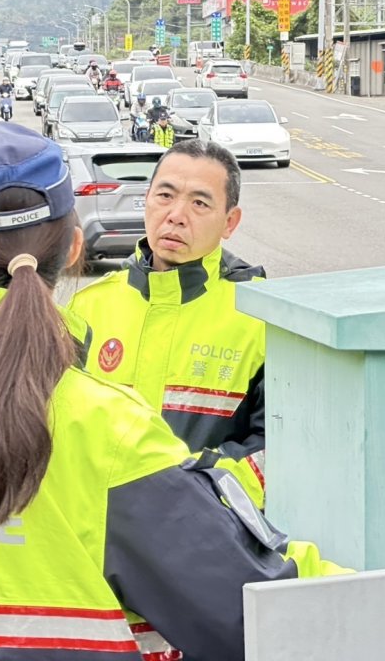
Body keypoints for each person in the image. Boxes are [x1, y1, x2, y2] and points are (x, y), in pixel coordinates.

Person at [0, 122, 347, 661]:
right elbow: (250, 613)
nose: (177, 214)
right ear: (74, 247)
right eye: (166, 195)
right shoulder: (104, 430)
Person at [69, 139, 268, 508]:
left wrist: (193, 496)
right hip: (99, 536)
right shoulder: (88, 307)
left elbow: (274, 446)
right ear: (147, 199)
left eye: (199, 203)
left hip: (209, 535)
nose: (176, 214)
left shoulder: (264, 313)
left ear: (230, 222)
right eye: (165, 195)